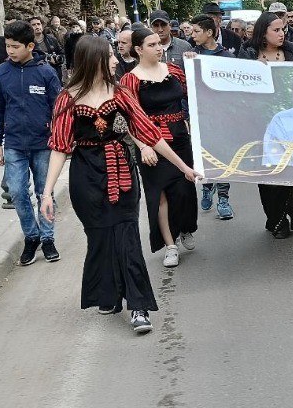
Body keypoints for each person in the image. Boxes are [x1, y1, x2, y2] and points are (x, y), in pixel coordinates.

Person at [41, 36, 198, 333]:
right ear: (94, 60)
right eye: (110, 56)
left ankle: (139, 306)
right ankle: (109, 292)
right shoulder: (67, 98)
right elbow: (60, 146)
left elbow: (149, 133)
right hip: (85, 177)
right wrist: (47, 193)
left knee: (126, 236)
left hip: (121, 171)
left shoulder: (122, 93)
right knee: (100, 237)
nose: (116, 60)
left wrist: (183, 167)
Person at [120, 28, 199, 269]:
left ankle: (185, 227)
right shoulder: (130, 81)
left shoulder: (174, 72)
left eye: (159, 43)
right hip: (151, 145)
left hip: (180, 139)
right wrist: (143, 146)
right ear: (138, 50)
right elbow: (130, 119)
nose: (159, 48)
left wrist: (198, 68)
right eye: (152, 44)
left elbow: (197, 92)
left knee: (185, 190)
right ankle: (170, 245)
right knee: (160, 196)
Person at [0, 20, 62, 265]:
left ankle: (48, 238)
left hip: (43, 145)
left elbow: (59, 109)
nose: (9, 51)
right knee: (18, 193)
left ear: (30, 45)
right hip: (13, 145)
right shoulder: (1, 72)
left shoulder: (46, 72)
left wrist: (59, 139)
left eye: (14, 46)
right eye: (7, 46)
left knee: (45, 192)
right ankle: (32, 237)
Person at [239, 12, 293, 239]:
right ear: (263, 32)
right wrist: (252, 72)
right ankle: (277, 220)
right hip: (261, 124)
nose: (281, 34)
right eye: (276, 30)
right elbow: (236, 87)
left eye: (283, 29)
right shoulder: (248, 54)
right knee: (270, 175)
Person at [187, 14, 236, 221]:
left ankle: (223, 198)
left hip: (223, 117)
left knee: (224, 157)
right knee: (205, 156)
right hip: (201, 116)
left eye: (196, 31)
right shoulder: (190, 56)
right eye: (191, 30)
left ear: (209, 32)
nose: (192, 34)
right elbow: (186, 89)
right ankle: (207, 187)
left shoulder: (227, 57)